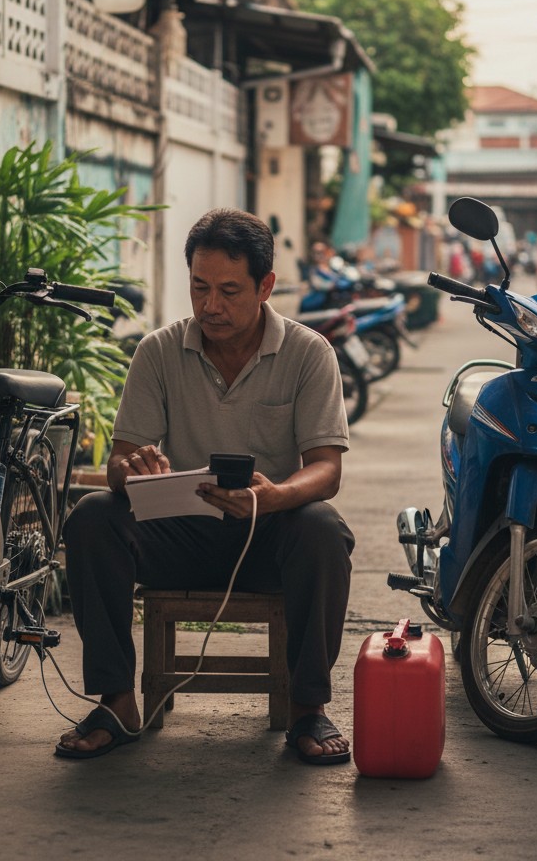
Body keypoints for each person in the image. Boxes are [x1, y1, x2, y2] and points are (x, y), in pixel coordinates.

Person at [56, 208, 355, 765]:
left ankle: (307, 709)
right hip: (178, 539)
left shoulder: (310, 353)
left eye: (228, 290)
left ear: (266, 286)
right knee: (94, 516)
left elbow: (325, 470)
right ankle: (116, 701)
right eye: (199, 287)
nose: (210, 305)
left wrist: (273, 497)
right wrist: (134, 470)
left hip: (267, 542)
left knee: (323, 531)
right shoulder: (158, 351)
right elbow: (119, 461)